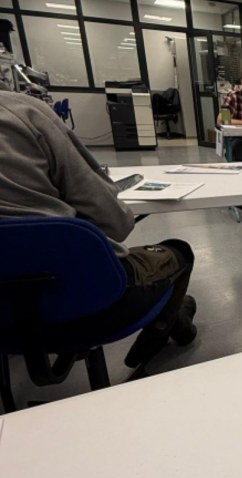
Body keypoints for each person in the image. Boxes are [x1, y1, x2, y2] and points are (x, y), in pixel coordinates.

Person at [0, 91, 198, 369]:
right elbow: (116, 224)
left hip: (6, 316)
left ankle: (178, 318)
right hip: (91, 302)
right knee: (179, 252)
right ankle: (169, 329)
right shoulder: (23, 112)